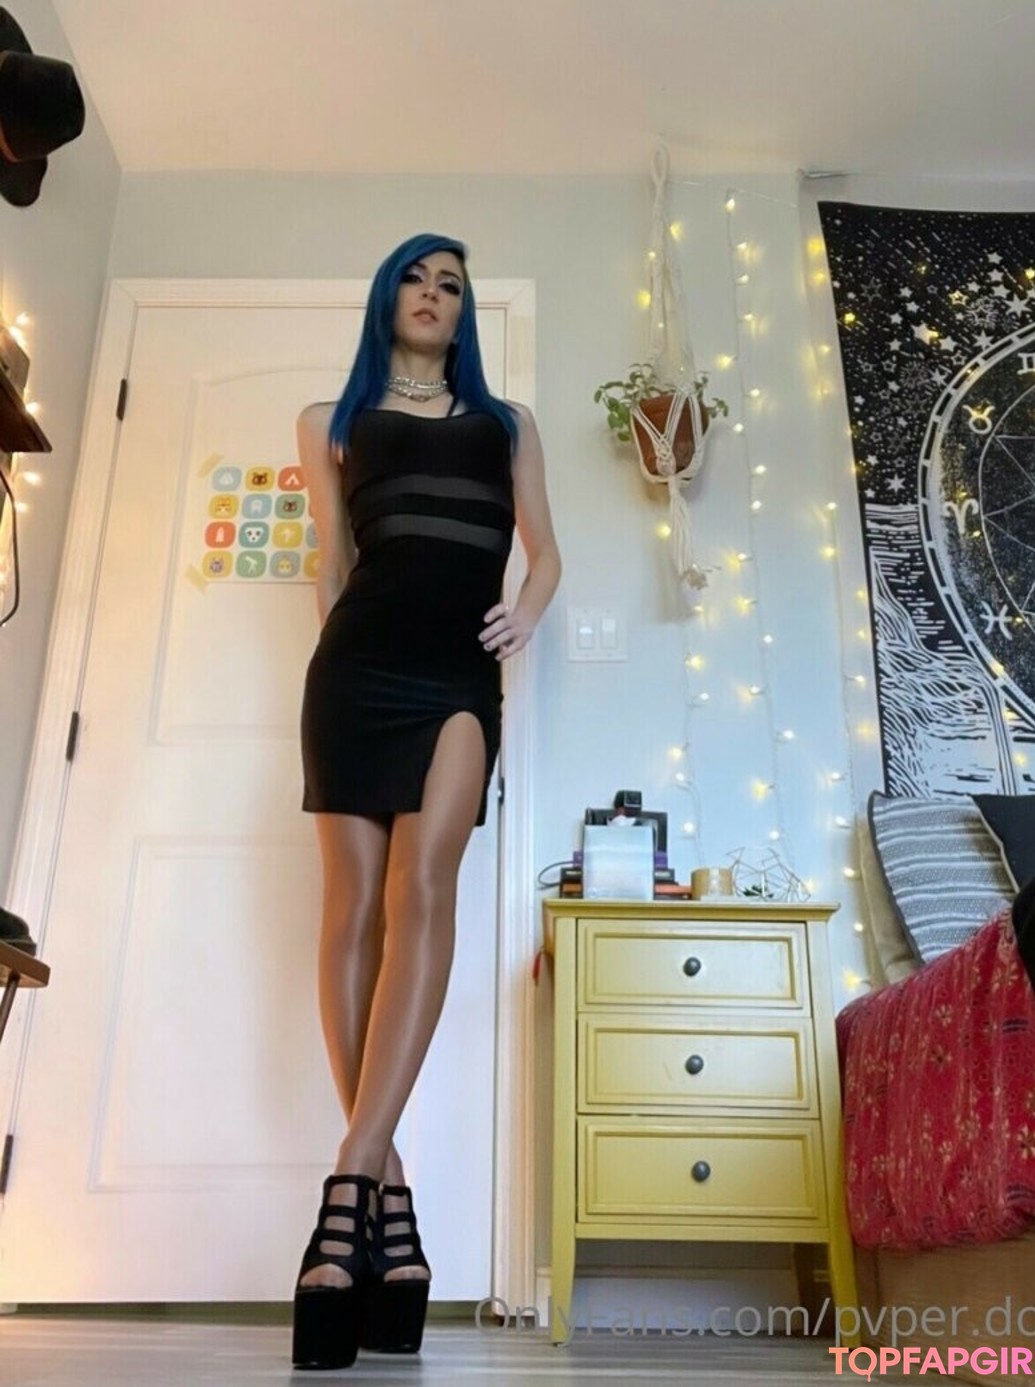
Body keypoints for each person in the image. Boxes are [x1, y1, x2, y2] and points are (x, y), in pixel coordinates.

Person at [291, 232, 561, 1369]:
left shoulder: (507, 425)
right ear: (387, 295)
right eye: (417, 276)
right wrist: (335, 657)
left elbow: (545, 555)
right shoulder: (331, 421)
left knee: (423, 888)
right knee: (351, 905)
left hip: (455, 676)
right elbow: (329, 560)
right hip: (355, 670)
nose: (434, 294)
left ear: (464, 313)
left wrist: (526, 614)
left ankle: (349, 1177)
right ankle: (392, 1211)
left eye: (452, 285)